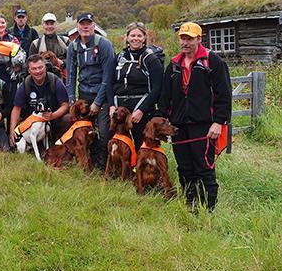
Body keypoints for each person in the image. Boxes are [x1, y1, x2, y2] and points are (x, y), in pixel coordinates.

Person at [158, 22, 231, 211]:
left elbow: (224, 95)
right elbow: (165, 97)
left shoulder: (212, 62)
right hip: (178, 126)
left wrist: (218, 122)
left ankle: (209, 208)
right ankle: (191, 204)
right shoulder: (173, 65)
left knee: (204, 167)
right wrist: (162, 121)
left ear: (199, 39)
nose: (185, 42)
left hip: (204, 125)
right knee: (184, 168)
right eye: (183, 38)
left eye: (190, 38)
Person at [65, 12, 114, 171]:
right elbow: (71, 75)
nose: (85, 27)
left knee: (104, 131)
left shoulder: (104, 45)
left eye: (89, 23)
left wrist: (98, 103)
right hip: (84, 94)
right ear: (77, 26)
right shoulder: (73, 46)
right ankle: (88, 165)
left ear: (94, 25)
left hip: (102, 94)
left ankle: (105, 166)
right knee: (84, 132)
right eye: (82, 24)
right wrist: (72, 100)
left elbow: (108, 76)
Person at [106, 22, 163, 150]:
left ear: (144, 38)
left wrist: (141, 110)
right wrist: (111, 106)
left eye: (139, 36)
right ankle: (121, 169)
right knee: (117, 143)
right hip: (119, 107)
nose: (135, 39)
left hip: (141, 108)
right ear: (126, 37)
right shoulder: (119, 58)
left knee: (141, 144)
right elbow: (109, 83)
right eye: (132, 35)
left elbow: (157, 88)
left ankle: (141, 169)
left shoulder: (151, 59)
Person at [9, 54, 70, 147]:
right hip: (34, 123)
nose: (38, 71)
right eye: (34, 69)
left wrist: (52, 116)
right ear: (29, 71)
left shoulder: (55, 81)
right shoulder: (25, 85)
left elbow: (65, 105)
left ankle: (63, 142)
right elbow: (16, 109)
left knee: (68, 119)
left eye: (40, 67)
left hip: (54, 118)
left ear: (45, 67)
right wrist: (12, 131)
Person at [28, 12, 68, 78]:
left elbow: (73, 61)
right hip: (42, 79)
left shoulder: (65, 41)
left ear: (56, 24)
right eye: (47, 24)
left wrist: (63, 63)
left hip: (63, 78)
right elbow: (30, 64)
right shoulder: (35, 44)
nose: (49, 26)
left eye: (52, 24)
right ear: (42, 25)